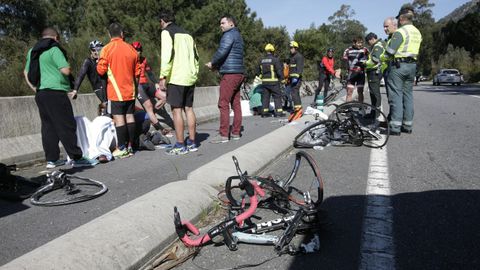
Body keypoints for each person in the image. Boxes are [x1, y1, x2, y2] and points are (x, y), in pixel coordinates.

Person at [24, 27, 96, 168]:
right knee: (66, 125)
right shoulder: (54, 49)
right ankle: (77, 158)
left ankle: (52, 160)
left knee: (48, 127)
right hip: (56, 92)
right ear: (56, 37)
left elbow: (26, 72)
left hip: (41, 93)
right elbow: (65, 70)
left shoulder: (33, 51)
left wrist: (35, 88)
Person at [158, 11, 200, 155]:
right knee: (188, 108)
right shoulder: (188, 34)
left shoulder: (166, 32)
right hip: (189, 76)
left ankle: (180, 144)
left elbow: (167, 55)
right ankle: (193, 142)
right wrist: (194, 73)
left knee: (176, 110)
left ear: (163, 21)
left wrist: (163, 75)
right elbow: (196, 56)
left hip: (177, 77)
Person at [97, 23, 140, 157]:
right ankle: (131, 146)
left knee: (119, 119)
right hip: (131, 90)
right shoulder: (131, 49)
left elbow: (101, 70)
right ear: (122, 34)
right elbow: (137, 72)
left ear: (110, 35)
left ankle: (121, 148)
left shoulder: (107, 49)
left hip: (116, 91)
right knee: (130, 116)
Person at [383, 5, 422, 135]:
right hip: (412, 66)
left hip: (399, 66)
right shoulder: (417, 32)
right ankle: (407, 125)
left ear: (401, 18)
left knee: (396, 96)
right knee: (408, 95)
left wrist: (383, 58)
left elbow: (390, 52)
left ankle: (395, 127)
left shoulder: (401, 32)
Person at [206, 15, 245, 144]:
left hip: (230, 74)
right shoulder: (238, 35)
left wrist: (212, 63)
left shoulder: (228, 35)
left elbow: (222, 51)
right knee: (236, 104)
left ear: (231, 24)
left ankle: (223, 135)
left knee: (223, 103)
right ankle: (236, 132)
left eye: (223, 23)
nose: (220, 25)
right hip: (239, 73)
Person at [131, 41, 172, 145]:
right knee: (149, 107)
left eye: (139, 50)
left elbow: (150, 73)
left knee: (165, 96)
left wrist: (157, 83)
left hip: (147, 84)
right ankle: (161, 129)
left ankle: (154, 111)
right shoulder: (130, 60)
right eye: (135, 50)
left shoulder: (144, 60)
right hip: (138, 86)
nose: (137, 52)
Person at [74, 40, 107, 107]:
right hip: (98, 88)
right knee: (107, 105)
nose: (96, 52)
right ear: (90, 51)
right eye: (93, 50)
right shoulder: (88, 61)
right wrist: (75, 90)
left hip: (108, 87)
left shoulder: (104, 60)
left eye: (98, 50)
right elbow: (81, 75)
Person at [256, 43, 285, 118]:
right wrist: (282, 79)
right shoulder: (275, 60)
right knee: (277, 97)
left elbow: (257, 71)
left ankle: (264, 113)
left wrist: (261, 77)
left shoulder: (261, 60)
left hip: (265, 83)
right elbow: (279, 71)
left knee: (265, 97)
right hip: (274, 82)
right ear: (272, 51)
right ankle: (279, 113)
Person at [342, 36, 369, 103]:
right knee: (349, 92)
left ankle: (361, 108)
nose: (360, 44)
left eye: (361, 43)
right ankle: (348, 108)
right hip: (351, 75)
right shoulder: (348, 50)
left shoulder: (365, 50)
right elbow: (344, 61)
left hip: (361, 74)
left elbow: (369, 59)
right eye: (359, 43)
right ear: (354, 43)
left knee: (360, 91)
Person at [365, 32, 386, 114]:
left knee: (375, 93)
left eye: (368, 42)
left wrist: (365, 63)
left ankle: (376, 114)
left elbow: (376, 60)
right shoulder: (378, 45)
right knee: (373, 93)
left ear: (372, 39)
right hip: (374, 71)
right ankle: (373, 112)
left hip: (375, 72)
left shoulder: (377, 46)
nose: (368, 44)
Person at [287, 41, 304, 122]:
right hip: (292, 79)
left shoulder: (299, 57)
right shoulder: (292, 57)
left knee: (294, 93)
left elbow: (299, 68)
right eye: (290, 48)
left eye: (292, 48)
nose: (291, 49)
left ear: (296, 48)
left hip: (296, 79)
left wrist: (296, 77)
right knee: (294, 93)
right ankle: (298, 108)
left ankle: (298, 110)